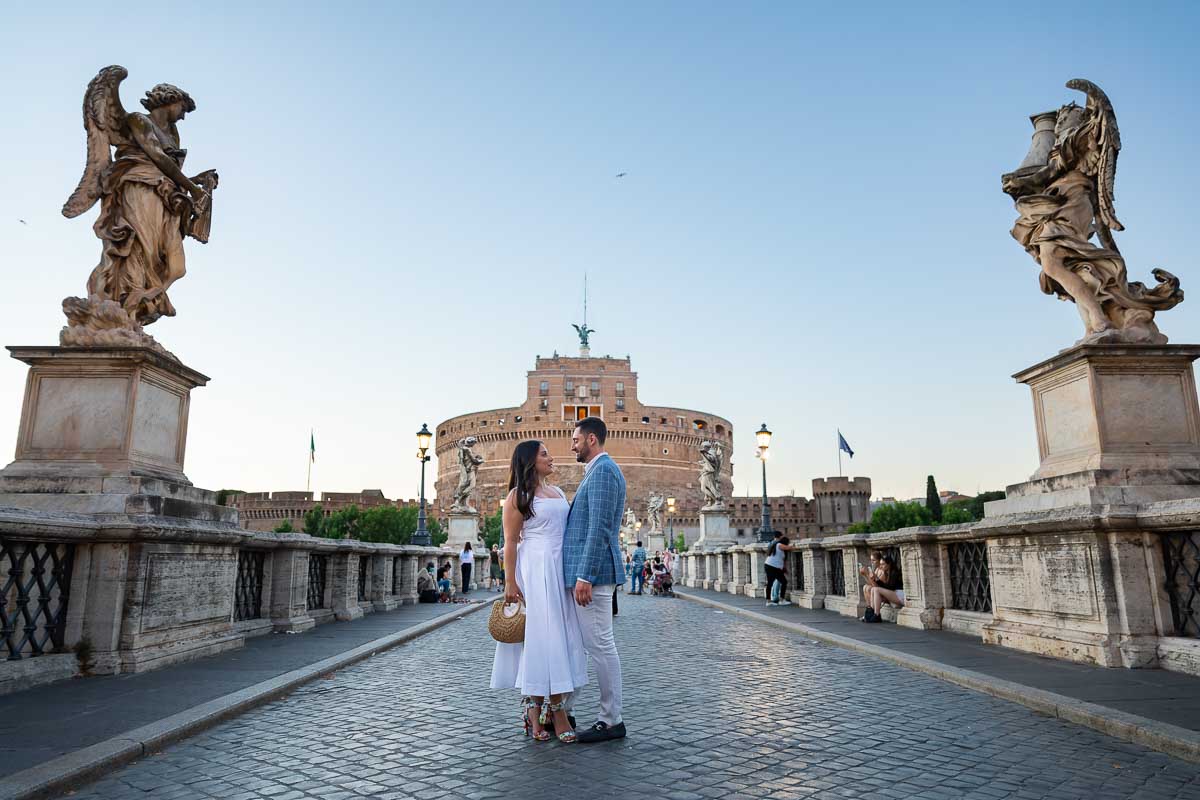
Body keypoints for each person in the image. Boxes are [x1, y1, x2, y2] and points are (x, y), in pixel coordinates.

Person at [491, 440, 587, 744]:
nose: (551, 457)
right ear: (530, 461)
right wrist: (510, 583)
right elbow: (510, 543)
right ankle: (547, 712)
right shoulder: (516, 497)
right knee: (542, 640)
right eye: (544, 454)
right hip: (535, 569)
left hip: (559, 569)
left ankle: (551, 709)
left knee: (563, 637)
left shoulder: (557, 492)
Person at [562, 417, 628, 742]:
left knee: (601, 645)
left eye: (575, 439)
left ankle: (611, 719)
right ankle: (576, 711)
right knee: (595, 644)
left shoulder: (602, 472)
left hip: (596, 574)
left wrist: (585, 574)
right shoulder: (598, 471)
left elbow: (599, 528)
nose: (571, 445)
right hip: (594, 573)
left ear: (591, 440)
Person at [860, 554, 905, 623]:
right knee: (873, 589)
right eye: (880, 564)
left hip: (900, 595)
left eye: (883, 564)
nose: (881, 566)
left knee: (876, 589)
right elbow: (884, 586)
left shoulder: (894, 573)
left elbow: (889, 587)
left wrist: (875, 579)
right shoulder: (886, 572)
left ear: (889, 564)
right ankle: (872, 613)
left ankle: (877, 615)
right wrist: (876, 578)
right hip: (894, 594)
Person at [764, 533, 799, 607]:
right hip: (773, 567)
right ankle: (781, 600)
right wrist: (794, 546)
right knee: (783, 582)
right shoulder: (779, 545)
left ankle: (769, 601)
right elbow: (789, 548)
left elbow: (782, 561)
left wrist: (784, 569)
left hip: (770, 565)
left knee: (771, 583)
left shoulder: (777, 547)